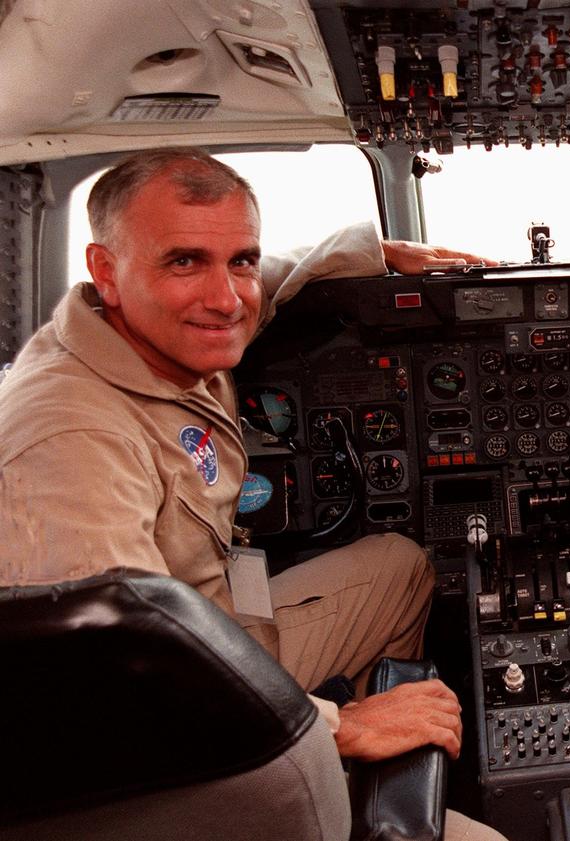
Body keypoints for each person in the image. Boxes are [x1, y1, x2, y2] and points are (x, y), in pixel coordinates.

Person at [0, 148, 505, 840]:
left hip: (216, 630)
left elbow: (271, 279)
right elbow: (118, 686)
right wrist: (340, 725)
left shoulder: (161, 330)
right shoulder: (67, 438)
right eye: (184, 262)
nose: (228, 297)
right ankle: (353, 808)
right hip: (165, 737)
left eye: (238, 259)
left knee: (400, 564)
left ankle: (369, 792)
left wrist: (380, 251)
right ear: (105, 272)